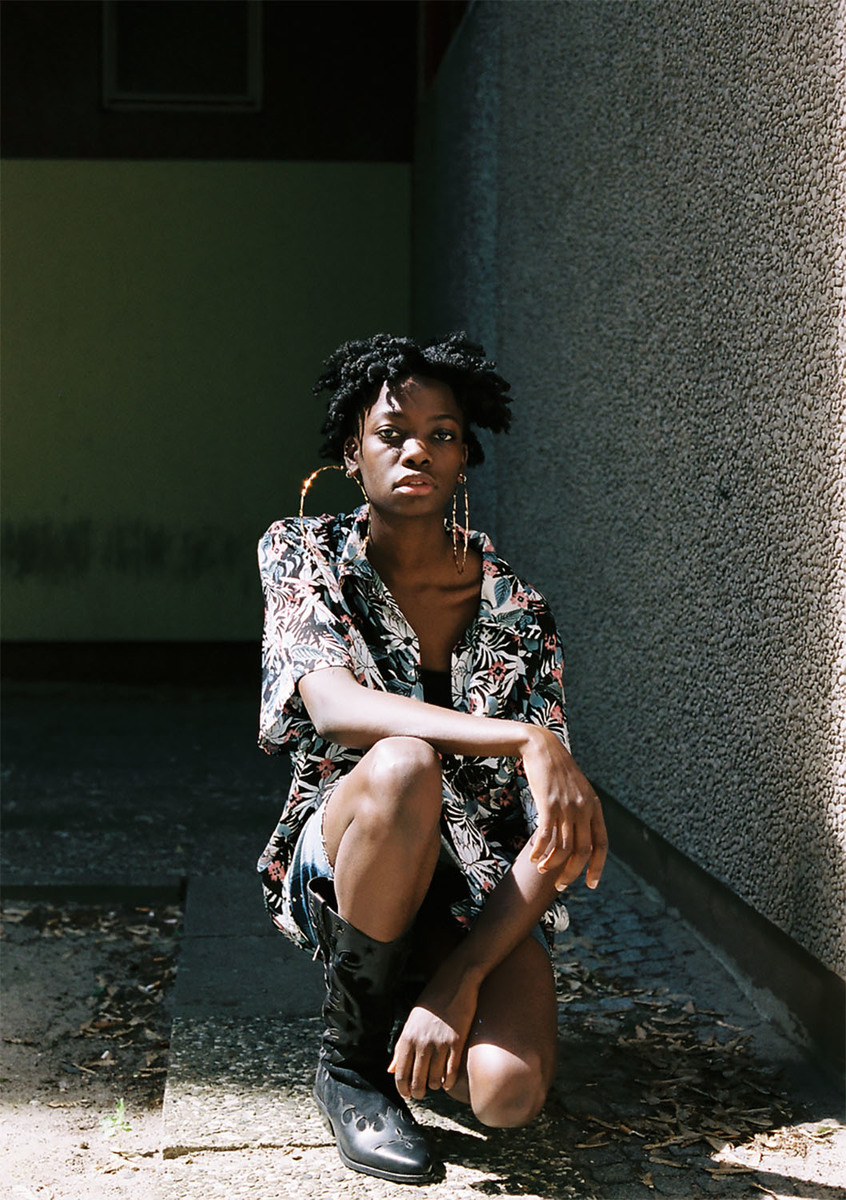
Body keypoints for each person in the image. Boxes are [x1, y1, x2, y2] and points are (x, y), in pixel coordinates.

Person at [256, 332, 607, 1185]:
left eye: (441, 434)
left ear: (464, 457)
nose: (417, 450)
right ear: (353, 451)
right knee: (404, 763)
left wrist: (464, 978)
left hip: (475, 889)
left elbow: (548, 836)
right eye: (392, 433)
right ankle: (352, 1064)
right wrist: (523, 737)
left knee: (506, 1096)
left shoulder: (517, 608)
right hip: (354, 846)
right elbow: (336, 710)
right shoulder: (304, 554)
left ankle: (424, 983)